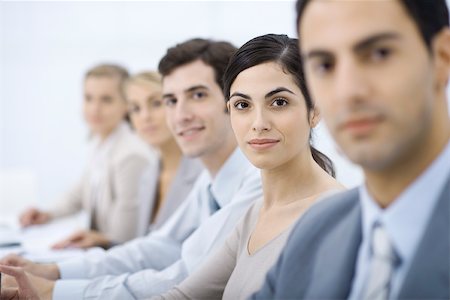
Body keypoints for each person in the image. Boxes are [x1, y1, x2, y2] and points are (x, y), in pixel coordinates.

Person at [0, 38, 262, 300]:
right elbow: (160, 246)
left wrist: (54, 291)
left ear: (234, 100)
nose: (180, 115)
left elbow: (187, 279)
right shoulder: (209, 180)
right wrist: (53, 271)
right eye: (170, 100)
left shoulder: (258, 182)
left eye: (198, 95)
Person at [253, 0, 450, 299]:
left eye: (379, 53)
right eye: (324, 65)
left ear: (442, 57)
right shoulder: (315, 231)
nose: (347, 91)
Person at [156, 33, 344, 300]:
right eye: (242, 105)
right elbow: (184, 296)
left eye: (278, 102)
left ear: (314, 110)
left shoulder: (334, 217)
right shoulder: (256, 213)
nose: (258, 123)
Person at [51, 72, 203, 249]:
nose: (145, 117)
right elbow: (143, 245)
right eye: (135, 109)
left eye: (156, 104)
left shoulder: (198, 172)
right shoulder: (151, 172)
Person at [19, 64, 154, 246]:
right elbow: (81, 192)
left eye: (106, 100)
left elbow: (124, 237)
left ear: (126, 104)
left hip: (116, 257)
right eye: (88, 98)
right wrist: (47, 214)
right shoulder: (100, 142)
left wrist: (93, 240)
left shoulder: (131, 155)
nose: (94, 109)